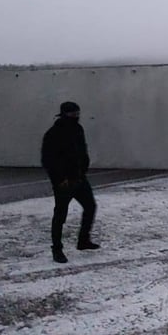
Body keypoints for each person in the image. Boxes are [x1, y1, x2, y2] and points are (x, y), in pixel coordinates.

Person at [41, 101, 99, 263]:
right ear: (65, 114)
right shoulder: (54, 133)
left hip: (79, 177)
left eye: (77, 113)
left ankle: (83, 240)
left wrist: (83, 169)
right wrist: (60, 180)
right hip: (64, 181)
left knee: (90, 207)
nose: (76, 116)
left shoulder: (78, 130)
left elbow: (82, 150)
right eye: (73, 114)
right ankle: (57, 249)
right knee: (60, 214)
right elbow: (48, 160)